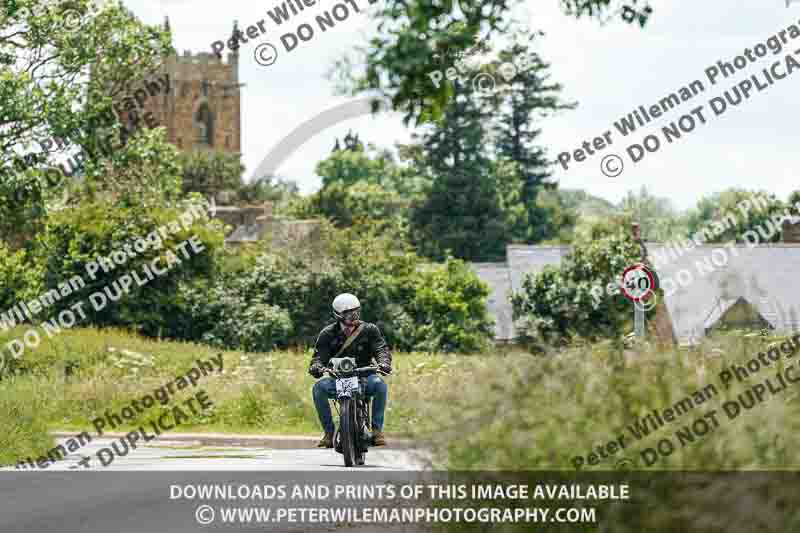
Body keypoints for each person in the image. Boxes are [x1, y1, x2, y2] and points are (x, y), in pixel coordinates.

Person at [308, 293, 392, 448]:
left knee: (380, 385)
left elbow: (381, 349)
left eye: (356, 312)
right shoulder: (328, 333)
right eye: (349, 313)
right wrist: (317, 367)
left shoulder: (369, 330)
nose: (354, 316)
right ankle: (329, 432)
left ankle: (377, 430)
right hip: (338, 379)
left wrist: (384, 363)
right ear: (338, 315)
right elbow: (319, 356)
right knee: (318, 388)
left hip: (365, 377)